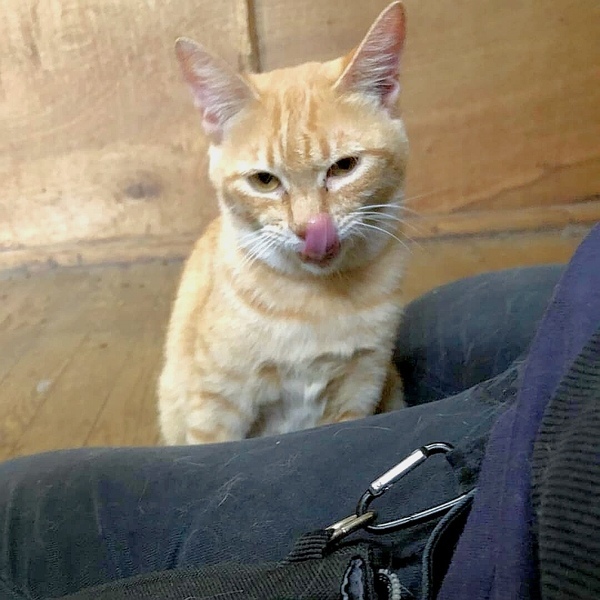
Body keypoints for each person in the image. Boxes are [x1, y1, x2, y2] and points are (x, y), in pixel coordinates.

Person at [0, 225, 598, 600]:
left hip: (559, 497)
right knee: (432, 321)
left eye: (343, 167)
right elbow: (208, 402)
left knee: (16, 522)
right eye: (267, 179)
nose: (311, 219)